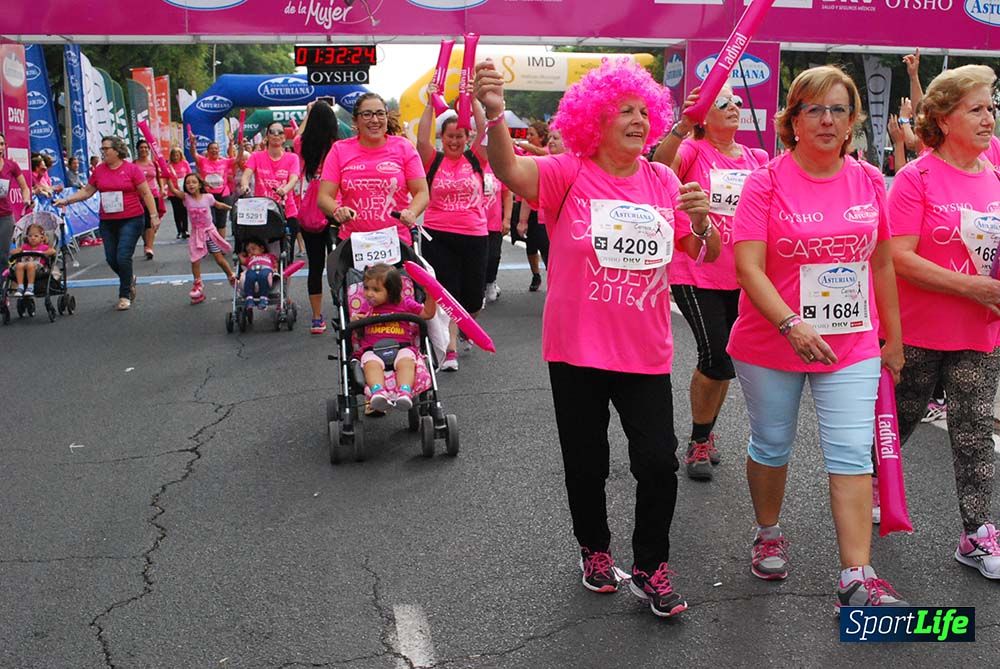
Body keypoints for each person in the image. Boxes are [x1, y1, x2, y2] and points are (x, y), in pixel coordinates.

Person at [475, 57, 719, 617]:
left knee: (658, 462)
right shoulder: (568, 171)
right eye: (623, 111)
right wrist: (494, 114)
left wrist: (704, 223)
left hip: (645, 350)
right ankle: (595, 550)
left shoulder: (664, 180)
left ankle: (651, 566)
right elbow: (511, 173)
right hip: (577, 349)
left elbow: (704, 252)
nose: (637, 120)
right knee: (587, 464)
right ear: (595, 120)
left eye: (642, 111)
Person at [727, 65, 907, 609]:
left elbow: (881, 266)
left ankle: (857, 573)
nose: (827, 120)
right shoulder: (766, 181)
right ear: (794, 120)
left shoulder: (871, 180)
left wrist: (892, 338)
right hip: (771, 340)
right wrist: (791, 323)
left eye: (838, 109)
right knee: (772, 443)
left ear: (853, 120)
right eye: (814, 109)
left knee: (852, 452)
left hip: (851, 343)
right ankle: (767, 532)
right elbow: (748, 268)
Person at [888, 64, 1000, 580]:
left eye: (991, 107)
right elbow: (899, 258)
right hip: (919, 331)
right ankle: (867, 483)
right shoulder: (916, 177)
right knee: (903, 419)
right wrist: (971, 286)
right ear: (943, 118)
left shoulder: (996, 165)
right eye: (976, 109)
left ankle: (977, 534)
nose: (988, 117)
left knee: (975, 433)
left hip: (980, 331)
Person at [652, 85, 770, 481]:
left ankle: (704, 432)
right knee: (716, 354)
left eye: (736, 101)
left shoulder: (757, 158)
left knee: (724, 360)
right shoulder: (693, 151)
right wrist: (681, 127)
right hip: (696, 268)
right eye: (722, 103)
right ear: (704, 116)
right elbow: (661, 166)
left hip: (744, 273)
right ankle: (699, 440)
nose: (734, 107)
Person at [416, 84, 489, 372]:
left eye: (460, 136)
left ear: (467, 137)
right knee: (448, 293)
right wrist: (430, 104)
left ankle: (465, 326)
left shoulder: (476, 158)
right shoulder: (433, 160)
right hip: (438, 235)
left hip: (474, 235)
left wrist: (472, 101)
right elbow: (422, 138)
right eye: (450, 136)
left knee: (472, 299)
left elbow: (485, 129)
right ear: (442, 138)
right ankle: (450, 349)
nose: (455, 141)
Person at [54, 136, 159, 311]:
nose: (103, 152)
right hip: (108, 221)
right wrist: (66, 201)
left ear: (117, 150)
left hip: (131, 218)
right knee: (111, 258)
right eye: (102, 149)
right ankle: (128, 278)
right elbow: (87, 191)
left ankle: (124, 294)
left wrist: (154, 215)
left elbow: (146, 193)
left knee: (123, 256)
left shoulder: (132, 169)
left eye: (106, 149)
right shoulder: (100, 171)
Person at [318, 93, 429, 247]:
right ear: (356, 120)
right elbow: (323, 197)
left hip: (397, 242)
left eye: (380, 114)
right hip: (354, 242)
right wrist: (337, 210)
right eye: (367, 114)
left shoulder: (404, 147)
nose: (375, 120)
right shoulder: (339, 150)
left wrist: (412, 212)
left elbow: (422, 192)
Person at [352, 263, 437, 412]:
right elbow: (358, 330)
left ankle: (404, 392)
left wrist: (431, 294)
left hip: (401, 347)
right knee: (371, 364)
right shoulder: (367, 308)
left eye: (376, 290)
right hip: (372, 349)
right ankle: (378, 393)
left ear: (391, 291)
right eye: (366, 288)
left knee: (406, 362)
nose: (369, 294)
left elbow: (427, 314)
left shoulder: (405, 304)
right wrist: (355, 321)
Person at [294, 100, 339, 334]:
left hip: (309, 213)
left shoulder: (303, 145)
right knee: (339, 264)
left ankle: (316, 317)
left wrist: (308, 114)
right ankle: (343, 310)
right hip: (334, 209)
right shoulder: (338, 146)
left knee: (315, 266)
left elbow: (297, 135)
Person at [239, 122, 300, 234]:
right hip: (262, 211)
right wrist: (245, 186)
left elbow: (294, 178)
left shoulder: (292, 158)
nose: (276, 135)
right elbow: (246, 175)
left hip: (287, 210)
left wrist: (284, 190)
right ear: (267, 137)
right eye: (272, 132)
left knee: (287, 248)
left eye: (280, 132)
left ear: (284, 137)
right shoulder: (256, 156)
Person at [183, 173, 235, 304]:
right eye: (188, 183)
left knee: (219, 258)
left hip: (209, 232)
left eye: (194, 182)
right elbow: (171, 187)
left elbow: (219, 205)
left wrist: (233, 208)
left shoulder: (208, 197)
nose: (191, 185)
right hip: (196, 234)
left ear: (200, 184)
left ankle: (231, 277)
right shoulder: (186, 198)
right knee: (195, 260)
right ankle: (198, 284)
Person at [512, 121, 551, 292]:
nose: (528, 138)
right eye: (527, 134)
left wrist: (520, 143)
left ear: (542, 137)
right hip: (525, 203)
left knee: (545, 245)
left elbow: (541, 153)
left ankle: (552, 276)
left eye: (532, 134)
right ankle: (536, 274)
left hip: (543, 207)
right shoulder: (525, 153)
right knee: (530, 244)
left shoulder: (549, 153)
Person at [189, 134, 236, 235]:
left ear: (219, 150)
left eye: (216, 148)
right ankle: (212, 245)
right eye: (212, 149)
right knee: (210, 221)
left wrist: (233, 143)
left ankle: (221, 247)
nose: (214, 150)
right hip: (208, 195)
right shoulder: (203, 161)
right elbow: (194, 154)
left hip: (223, 194)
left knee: (221, 223)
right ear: (208, 151)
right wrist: (193, 143)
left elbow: (239, 158)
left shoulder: (225, 162)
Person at [0, 132, 33, 269]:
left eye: (1, 144)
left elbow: (24, 187)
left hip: (5, 217)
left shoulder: (11, 165)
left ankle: (2, 287)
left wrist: (26, 198)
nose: (0, 147)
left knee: (3, 254)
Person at [482, 157, 512, 304]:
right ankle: (478, 287)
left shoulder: (497, 166)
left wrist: (507, 219)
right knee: (478, 257)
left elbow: (507, 195)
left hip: (494, 221)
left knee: (493, 256)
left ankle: (490, 282)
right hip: (474, 223)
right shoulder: (471, 163)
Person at [134, 139, 165, 260]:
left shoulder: (154, 163)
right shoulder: (134, 164)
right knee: (142, 223)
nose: (144, 150)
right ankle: (147, 243)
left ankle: (149, 247)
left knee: (152, 221)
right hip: (138, 196)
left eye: (146, 148)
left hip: (153, 195)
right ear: (137, 150)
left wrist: (162, 188)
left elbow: (159, 177)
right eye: (141, 147)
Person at [10, 222, 56, 297]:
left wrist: (44, 253)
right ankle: (20, 287)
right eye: (30, 236)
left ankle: (30, 287)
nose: (32, 238)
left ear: (42, 238)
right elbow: (13, 252)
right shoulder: (25, 246)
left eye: (36, 236)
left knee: (30, 265)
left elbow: (53, 251)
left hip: (38, 267)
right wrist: (16, 251)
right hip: (24, 264)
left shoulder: (43, 247)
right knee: (19, 265)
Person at [239, 237, 277, 310]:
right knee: (249, 276)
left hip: (266, 269)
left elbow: (275, 262)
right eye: (248, 251)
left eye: (253, 249)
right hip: (252, 270)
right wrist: (241, 255)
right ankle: (249, 298)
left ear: (262, 249)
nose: (251, 253)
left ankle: (264, 298)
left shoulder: (268, 256)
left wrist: (275, 268)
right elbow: (242, 261)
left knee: (264, 276)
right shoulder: (250, 259)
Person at [166, 146, 191, 239]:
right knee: (177, 212)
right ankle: (179, 230)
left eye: (177, 155)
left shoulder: (185, 163)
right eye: (174, 155)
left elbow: (189, 175)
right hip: (173, 192)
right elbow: (166, 178)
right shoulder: (169, 166)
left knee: (184, 211)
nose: (175, 157)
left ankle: (186, 229)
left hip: (183, 191)